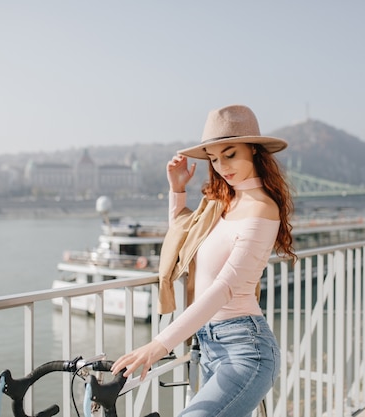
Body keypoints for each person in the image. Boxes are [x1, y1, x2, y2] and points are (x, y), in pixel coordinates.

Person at [111, 104, 296, 417]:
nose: (222, 166)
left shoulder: (262, 208)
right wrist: (177, 189)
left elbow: (225, 287)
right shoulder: (221, 203)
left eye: (230, 153)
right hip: (208, 344)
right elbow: (183, 241)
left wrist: (158, 346)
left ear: (253, 150)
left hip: (245, 348)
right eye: (213, 158)